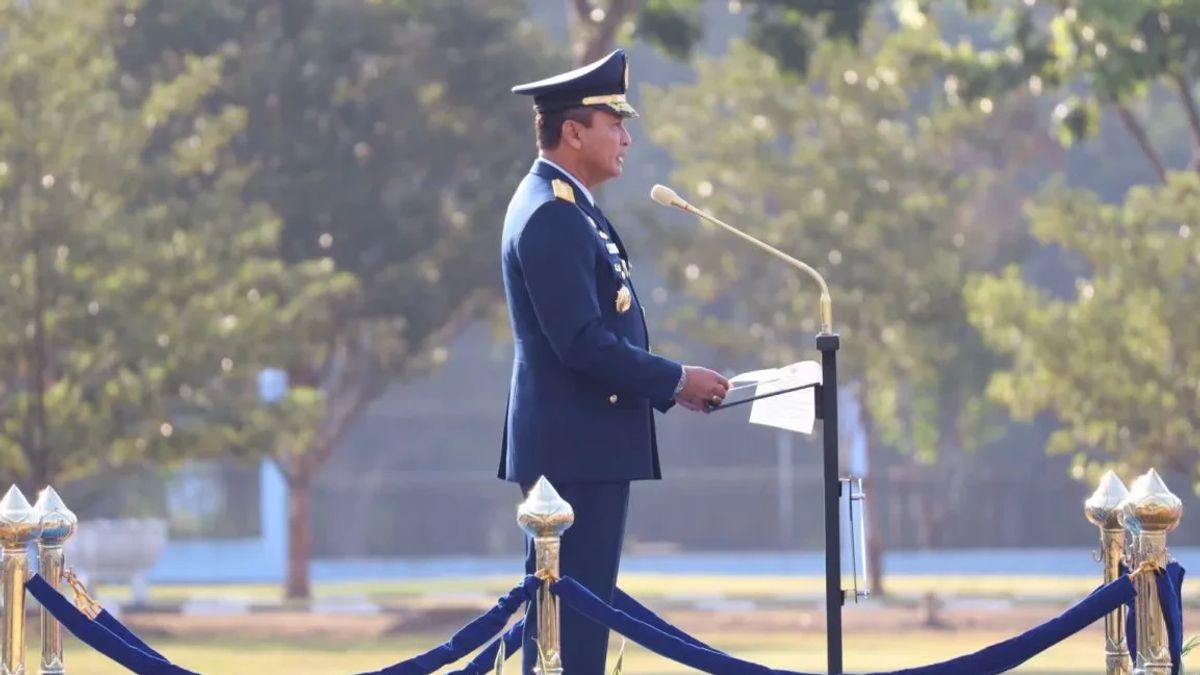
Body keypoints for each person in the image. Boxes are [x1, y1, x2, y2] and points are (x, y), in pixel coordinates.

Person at [499, 48, 730, 675]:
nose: (627, 137)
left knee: (576, 628)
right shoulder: (551, 212)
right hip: (573, 452)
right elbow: (580, 340)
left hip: (584, 445)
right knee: (567, 640)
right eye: (615, 124)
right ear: (573, 132)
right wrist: (677, 380)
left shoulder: (570, 206)